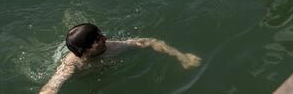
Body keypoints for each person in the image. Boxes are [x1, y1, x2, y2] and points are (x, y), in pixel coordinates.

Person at [40, 23, 200, 94]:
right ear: (85, 50)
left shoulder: (112, 47)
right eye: (98, 39)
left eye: (100, 34)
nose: (105, 38)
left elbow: (149, 42)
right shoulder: (71, 65)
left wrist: (181, 56)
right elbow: (51, 87)